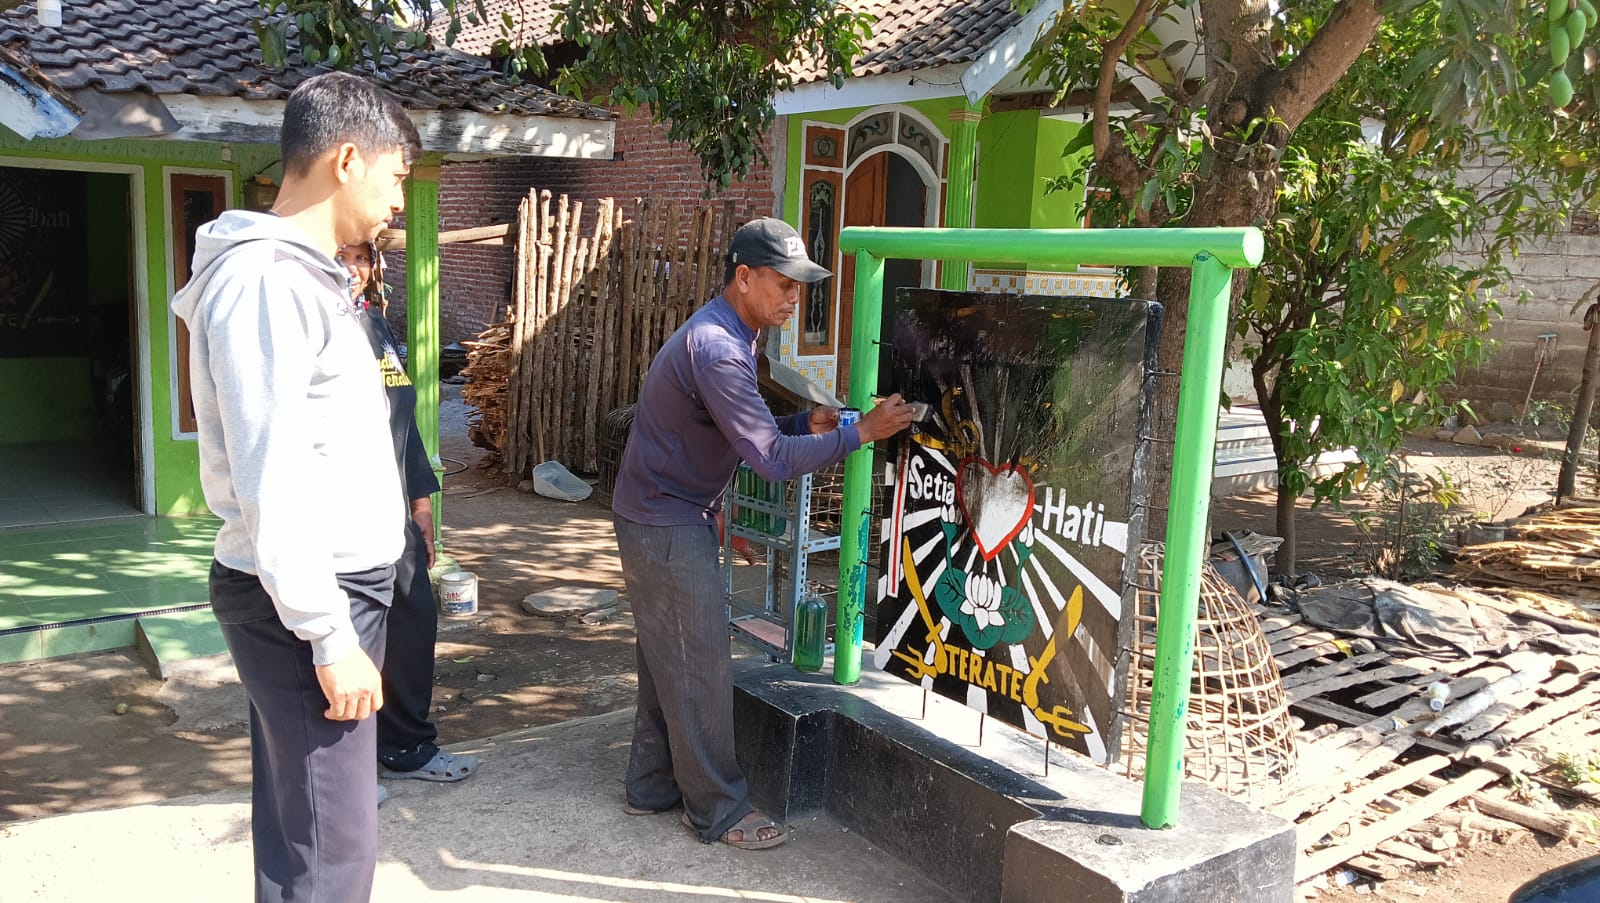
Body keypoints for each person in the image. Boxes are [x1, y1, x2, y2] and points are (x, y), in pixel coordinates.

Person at [170, 71, 421, 903]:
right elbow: (269, 471)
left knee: (307, 834)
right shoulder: (266, 282)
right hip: (309, 601)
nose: (396, 202)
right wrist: (328, 634)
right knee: (330, 848)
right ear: (348, 159)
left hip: (327, 590)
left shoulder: (307, 276)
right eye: (395, 178)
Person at [610, 217, 915, 850]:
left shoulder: (730, 333)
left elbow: (741, 425)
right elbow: (769, 459)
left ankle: (651, 787)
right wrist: (861, 433)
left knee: (665, 657)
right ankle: (718, 810)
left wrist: (808, 419)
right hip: (667, 520)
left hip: (655, 513)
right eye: (782, 284)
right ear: (744, 277)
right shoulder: (722, 348)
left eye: (799, 287)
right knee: (697, 665)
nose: (792, 298)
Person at [334, 241, 479, 784]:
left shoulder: (374, 327)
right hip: (342, 514)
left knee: (414, 620)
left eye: (362, 258)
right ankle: (344, 772)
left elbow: (405, 424)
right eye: (342, 257)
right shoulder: (317, 333)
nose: (354, 269)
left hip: (392, 508)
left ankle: (405, 747)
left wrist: (421, 505)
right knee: (351, 637)